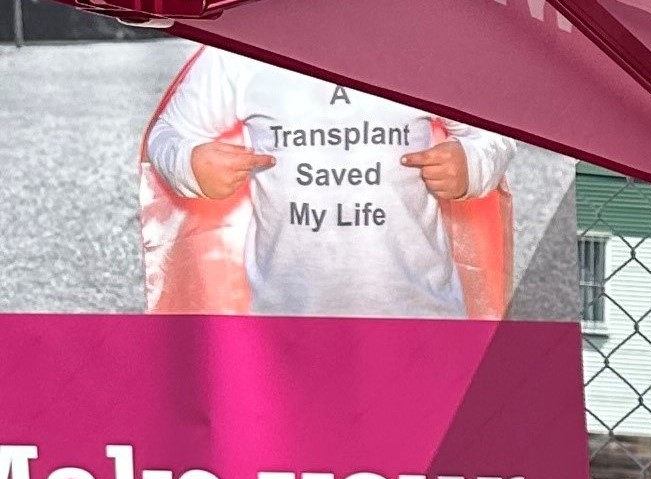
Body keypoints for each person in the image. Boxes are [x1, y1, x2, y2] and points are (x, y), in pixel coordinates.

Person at [143, 48, 513, 319]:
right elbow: (170, 132)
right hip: (287, 319)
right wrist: (191, 163)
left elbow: (495, 132)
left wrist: (471, 163)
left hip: (421, 313)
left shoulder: (427, 41)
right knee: (302, 426)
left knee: (422, 424)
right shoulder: (241, 50)